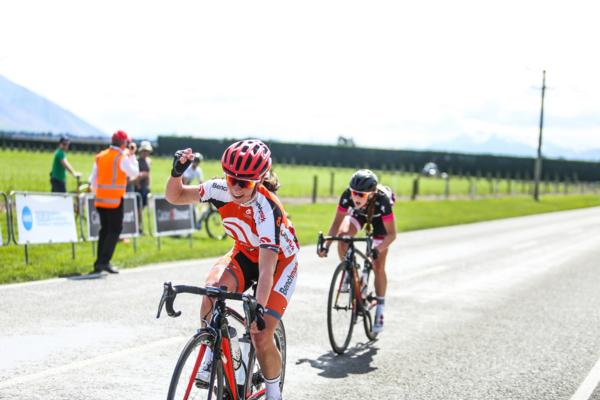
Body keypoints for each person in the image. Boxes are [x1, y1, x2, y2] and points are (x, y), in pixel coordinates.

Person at [166, 140, 299, 400]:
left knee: (260, 334)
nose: (236, 187)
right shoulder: (219, 189)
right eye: (232, 179)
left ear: (259, 180)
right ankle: (210, 353)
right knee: (212, 291)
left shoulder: (267, 209)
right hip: (244, 252)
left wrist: (259, 310)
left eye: (245, 183)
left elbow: (266, 271)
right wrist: (176, 173)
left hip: (279, 262)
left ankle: (274, 394)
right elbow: (176, 196)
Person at [318, 169, 397, 333]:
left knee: (378, 265)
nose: (355, 197)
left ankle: (380, 310)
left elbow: (392, 235)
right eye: (354, 193)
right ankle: (349, 271)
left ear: (372, 193)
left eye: (361, 195)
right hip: (359, 215)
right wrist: (327, 245)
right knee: (343, 237)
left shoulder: (382, 200)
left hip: (380, 221)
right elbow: (335, 225)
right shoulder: (347, 196)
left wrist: (378, 249)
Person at [89, 130, 139, 274]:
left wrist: (95, 193)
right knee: (115, 230)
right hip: (115, 200)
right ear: (124, 143)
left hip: (100, 200)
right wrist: (132, 155)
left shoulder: (100, 156)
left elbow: (93, 178)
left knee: (104, 231)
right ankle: (105, 261)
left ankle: (99, 263)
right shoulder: (121, 157)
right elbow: (134, 172)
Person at [134, 140, 153, 231]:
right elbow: (135, 174)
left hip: (145, 188)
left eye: (147, 151)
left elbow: (149, 174)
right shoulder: (136, 161)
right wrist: (137, 184)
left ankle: (139, 226)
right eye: (144, 151)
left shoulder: (149, 161)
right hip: (138, 188)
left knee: (142, 208)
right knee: (138, 208)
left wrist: (149, 185)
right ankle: (137, 227)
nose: (146, 153)